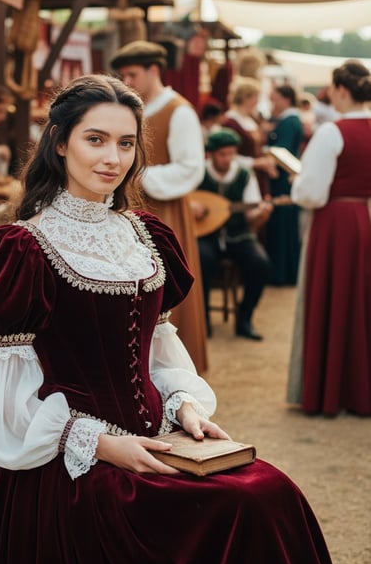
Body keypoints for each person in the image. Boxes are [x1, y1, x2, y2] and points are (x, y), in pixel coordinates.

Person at [0, 75, 349, 564]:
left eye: (127, 143)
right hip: (66, 463)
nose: (113, 159)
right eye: (96, 140)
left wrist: (183, 405)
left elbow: (157, 353)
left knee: (272, 494)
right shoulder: (21, 249)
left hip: (157, 439)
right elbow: (6, 402)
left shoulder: (145, 236)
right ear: (58, 142)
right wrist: (101, 444)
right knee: (237, 507)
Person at [110, 39, 208, 373]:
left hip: (164, 214)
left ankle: (172, 371)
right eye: (123, 75)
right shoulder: (130, 110)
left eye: (133, 74)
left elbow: (191, 167)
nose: (128, 81)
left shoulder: (178, 110)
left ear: (154, 70)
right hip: (129, 210)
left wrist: (140, 178)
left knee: (164, 285)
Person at [289, 60, 371, 416]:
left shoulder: (331, 132)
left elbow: (311, 193)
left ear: (340, 90)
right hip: (364, 217)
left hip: (334, 221)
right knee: (360, 301)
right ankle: (358, 388)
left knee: (331, 298)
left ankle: (329, 390)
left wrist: (296, 186)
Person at [194, 129, 272, 340]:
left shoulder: (244, 175)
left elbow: (251, 217)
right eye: (223, 154)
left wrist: (261, 214)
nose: (228, 159)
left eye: (231, 154)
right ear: (210, 154)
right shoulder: (198, 173)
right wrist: (191, 206)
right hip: (205, 236)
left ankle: (244, 320)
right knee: (199, 259)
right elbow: (182, 201)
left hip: (238, 235)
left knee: (260, 263)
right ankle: (203, 322)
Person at [265, 84, 304, 285]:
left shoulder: (290, 121)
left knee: (283, 226)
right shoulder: (289, 119)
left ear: (286, 99)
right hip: (282, 179)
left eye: (276, 98)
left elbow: (283, 151)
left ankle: (283, 274)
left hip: (283, 180)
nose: (274, 102)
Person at [222, 77, 277, 196]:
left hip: (258, 175)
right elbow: (227, 155)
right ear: (245, 97)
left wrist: (266, 162)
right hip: (241, 176)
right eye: (255, 97)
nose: (257, 101)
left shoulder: (251, 119)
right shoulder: (230, 122)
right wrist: (254, 163)